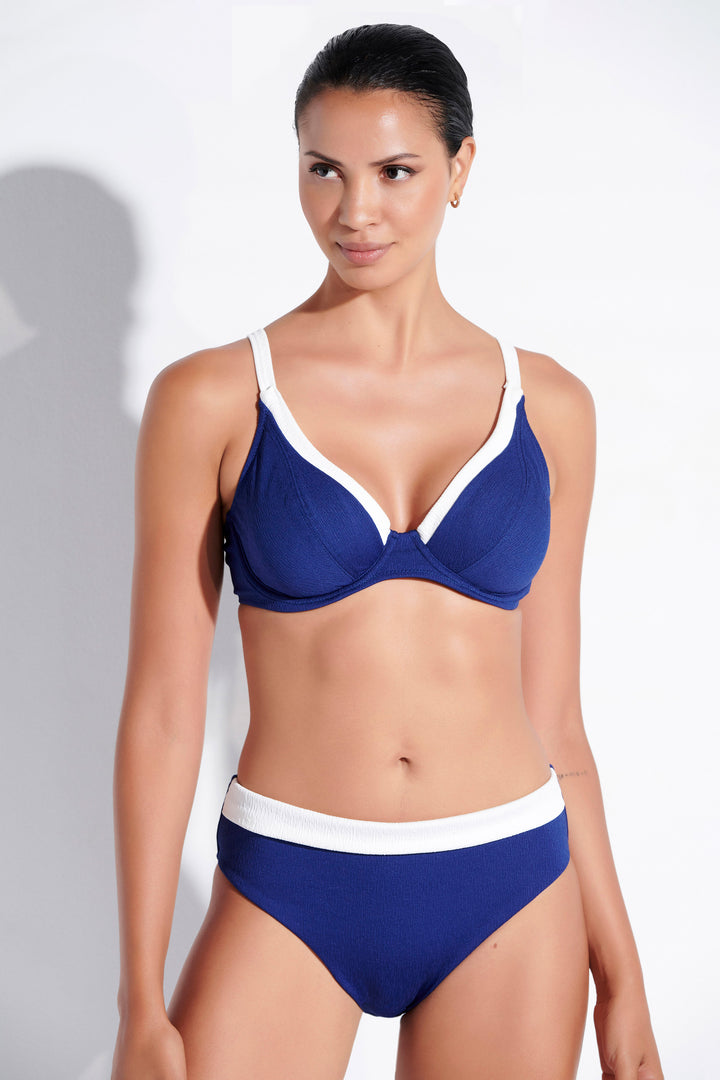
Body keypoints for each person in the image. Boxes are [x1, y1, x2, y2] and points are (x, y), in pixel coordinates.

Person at [111, 22, 664, 1080]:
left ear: (460, 168)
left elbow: (558, 718)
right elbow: (165, 713)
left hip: (512, 880)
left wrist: (625, 974)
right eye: (323, 169)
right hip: (290, 877)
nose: (354, 211)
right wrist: (139, 998)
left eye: (395, 172)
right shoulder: (213, 397)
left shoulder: (550, 407)